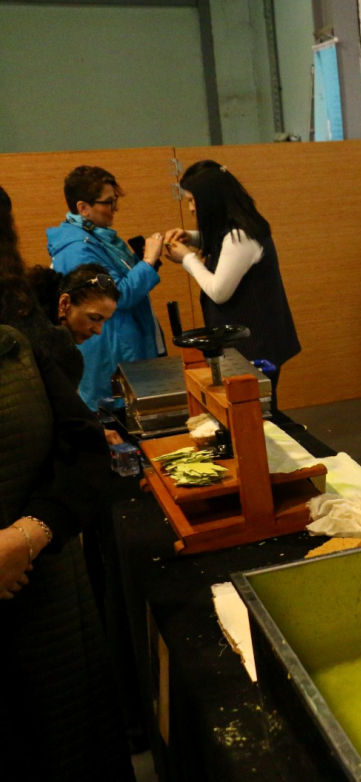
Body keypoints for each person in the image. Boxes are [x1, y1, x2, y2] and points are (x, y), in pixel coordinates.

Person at [0, 186, 134, 780]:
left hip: (39, 607)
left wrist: (25, 537)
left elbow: (79, 452)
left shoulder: (21, 340)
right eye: (93, 319)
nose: (96, 331)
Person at [165, 161, 301, 412]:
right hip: (254, 341)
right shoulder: (238, 225)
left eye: (193, 201)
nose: (192, 208)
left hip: (254, 345)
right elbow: (223, 245)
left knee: (254, 414)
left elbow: (218, 291)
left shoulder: (241, 236)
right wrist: (193, 237)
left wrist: (187, 258)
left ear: (211, 201)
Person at [46, 165, 165, 410]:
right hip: (110, 349)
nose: (115, 208)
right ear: (83, 208)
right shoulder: (77, 247)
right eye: (109, 202)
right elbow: (118, 294)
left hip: (124, 341)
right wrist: (149, 260)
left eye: (115, 200)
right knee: (118, 424)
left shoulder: (100, 238)